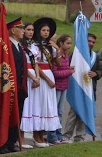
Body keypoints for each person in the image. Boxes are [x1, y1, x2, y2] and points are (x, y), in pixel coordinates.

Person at [62, 33, 99, 142]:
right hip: (77, 89)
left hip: (89, 90)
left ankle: (80, 136)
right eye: (89, 41)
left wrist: (96, 73)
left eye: (93, 42)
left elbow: (100, 69)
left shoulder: (95, 56)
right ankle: (66, 135)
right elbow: (67, 66)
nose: (91, 44)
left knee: (85, 113)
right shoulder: (75, 54)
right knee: (73, 113)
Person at [33, 18, 63, 146]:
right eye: (43, 30)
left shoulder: (50, 47)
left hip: (50, 74)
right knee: (39, 106)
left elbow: (59, 63)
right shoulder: (35, 46)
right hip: (42, 75)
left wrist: (57, 50)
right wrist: (47, 79)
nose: (46, 32)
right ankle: (36, 135)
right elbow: (36, 64)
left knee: (47, 107)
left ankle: (43, 134)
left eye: (48, 30)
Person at [1, 17, 27, 154]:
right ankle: (4, 142)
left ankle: (12, 141)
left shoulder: (18, 46)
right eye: (21, 28)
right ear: (12, 30)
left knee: (18, 115)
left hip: (20, 88)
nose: (23, 31)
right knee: (8, 115)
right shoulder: (7, 47)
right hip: (10, 87)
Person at [19, 23, 47, 148]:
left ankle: (36, 137)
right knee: (25, 108)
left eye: (32, 30)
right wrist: (32, 77)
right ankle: (21, 138)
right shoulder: (21, 45)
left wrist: (38, 77)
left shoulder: (34, 46)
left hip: (34, 79)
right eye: (28, 29)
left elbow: (36, 63)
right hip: (26, 77)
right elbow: (24, 65)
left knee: (34, 108)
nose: (31, 32)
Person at [52, 34, 75, 135]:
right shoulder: (57, 54)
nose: (69, 46)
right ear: (61, 43)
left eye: (70, 43)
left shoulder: (66, 55)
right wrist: (69, 72)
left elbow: (63, 68)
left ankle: (58, 133)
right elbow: (55, 72)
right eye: (67, 43)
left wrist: (68, 69)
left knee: (60, 111)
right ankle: (52, 133)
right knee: (55, 111)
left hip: (64, 87)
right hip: (57, 87)